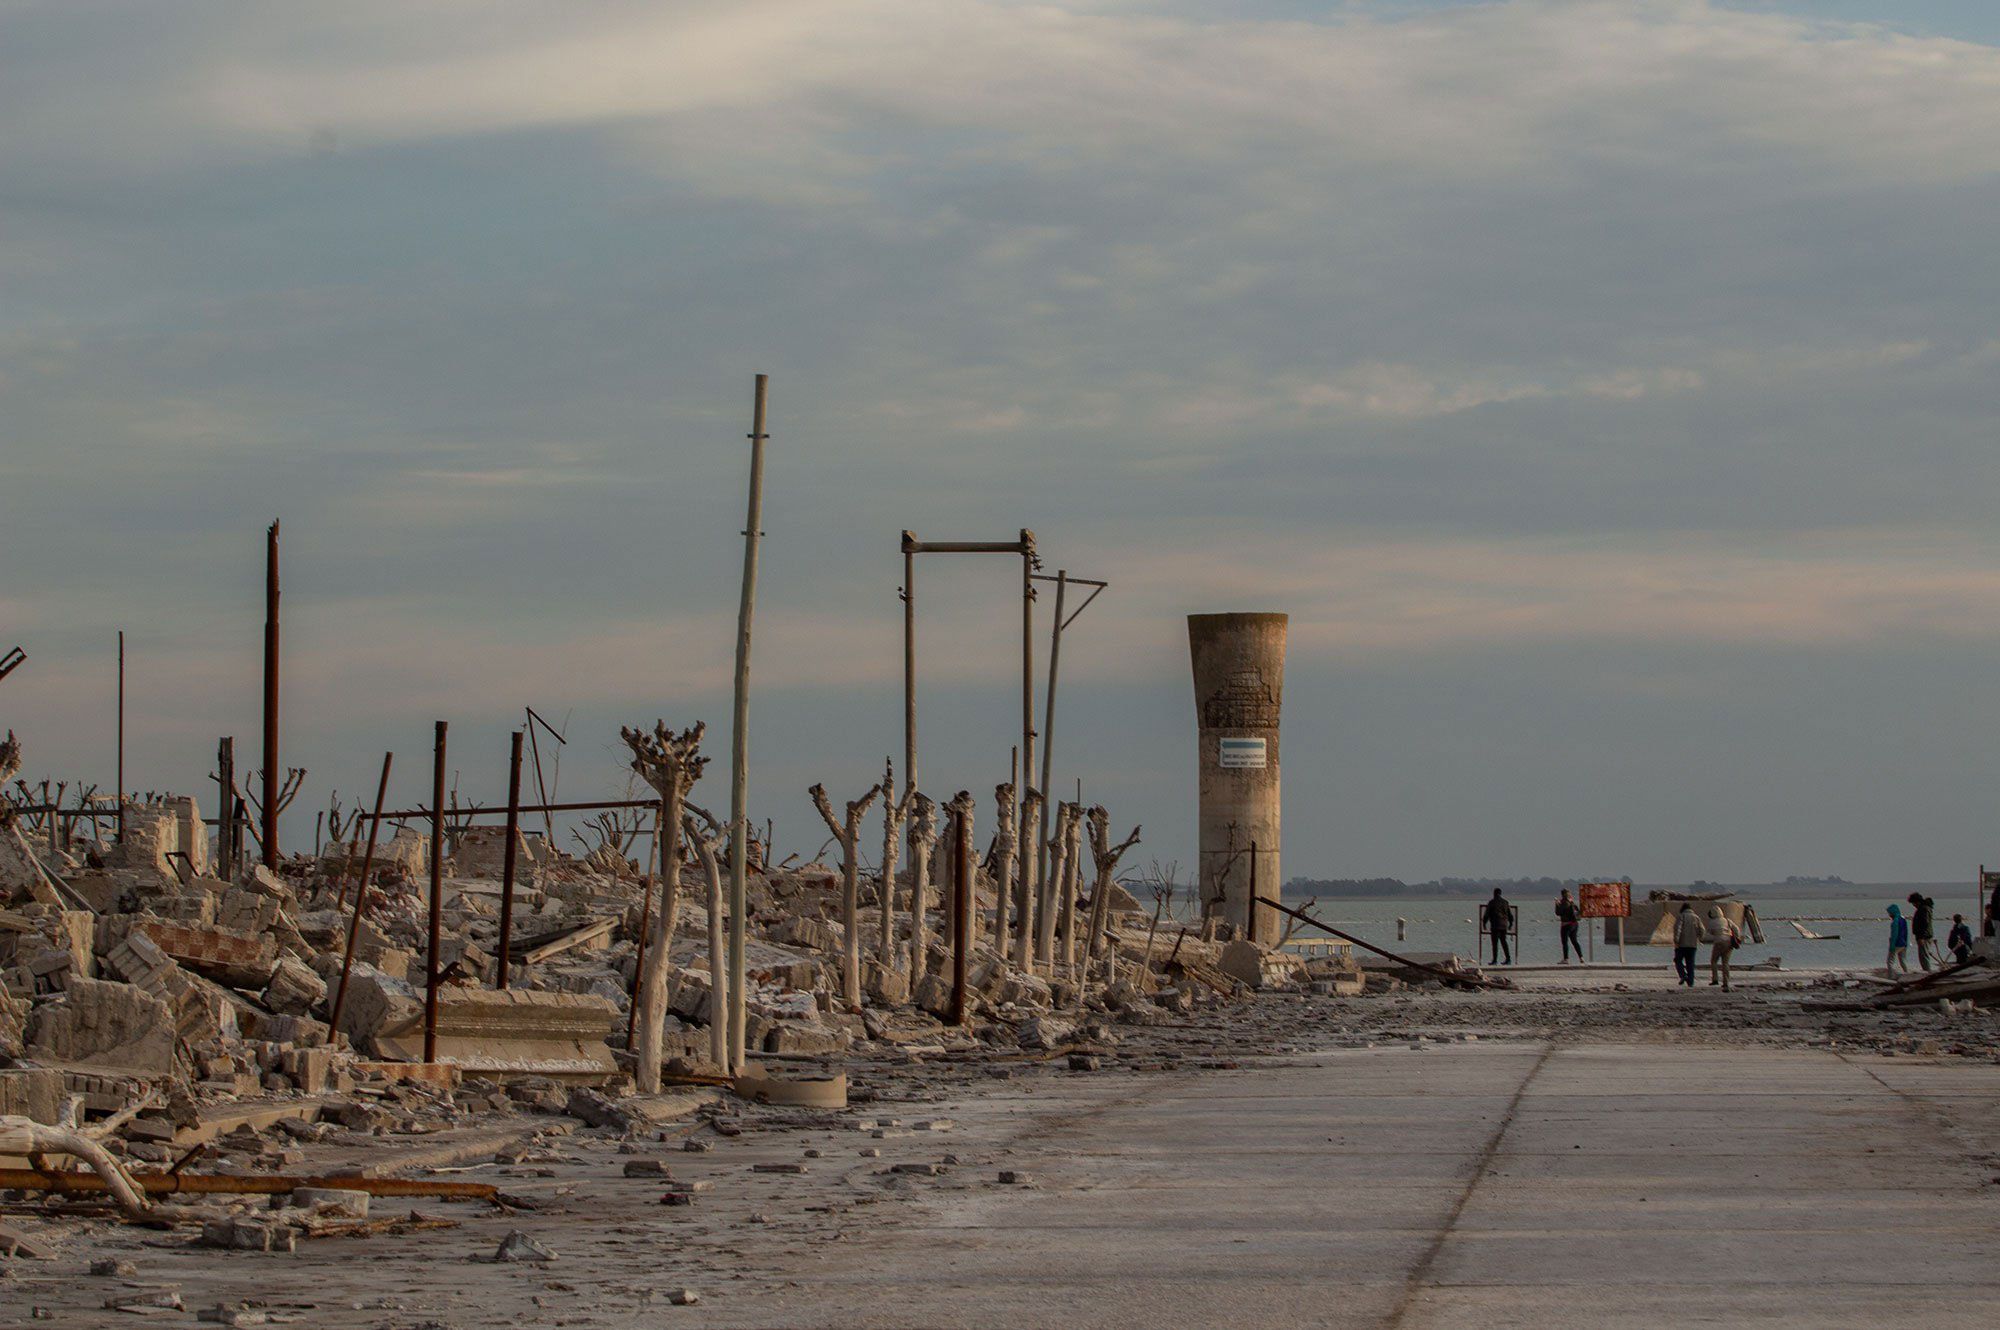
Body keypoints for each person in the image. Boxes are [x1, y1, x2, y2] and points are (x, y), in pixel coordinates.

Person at [1704, 905, 1739, 990]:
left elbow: (1708, 934)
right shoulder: (1727, 920)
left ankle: (1715, 979)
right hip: (1729, 942)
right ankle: (1726, 982)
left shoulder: (1712, 922)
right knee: (1725, 963)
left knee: (1714, 961)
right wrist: (1736, 937)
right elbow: (1737, 929)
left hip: (1719, 942)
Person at [1672, 902, 1702, 987]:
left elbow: (1678, 929)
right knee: (1690, 963)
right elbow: (1702, 929)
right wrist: (1699, 938)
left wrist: (1676, 940)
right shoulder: (1696, 917)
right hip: (1693, 945)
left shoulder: (1681, 916)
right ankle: (1690, 982)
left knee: (1678, 960)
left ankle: (1683, 975)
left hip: (1681, 944)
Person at [1908, 892, 1939, 971]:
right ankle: (1927, 970)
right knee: (1923, 955)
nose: (1913, 905)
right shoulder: (1924, 908)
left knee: (1924, 955)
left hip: (1924, 937)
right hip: (1924, 936)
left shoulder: (1924, 909)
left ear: (1917, 902)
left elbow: (1924, 923)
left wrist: (1921, 937)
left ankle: (1927, 971)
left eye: (1913, 903)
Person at [1483, 888, 1513, 965]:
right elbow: (1510, 915)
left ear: (1494, 893)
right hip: (1504, 925)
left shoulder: (1492, 902)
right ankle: (1508, 959)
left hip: (1495, 925)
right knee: (1504, 942)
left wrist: (1484, 924)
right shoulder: (1505, 902)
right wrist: (1510, 924)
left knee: (1495, 943)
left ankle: (1495, 960)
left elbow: (1487, 914)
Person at [1555, 889, 1583, 964]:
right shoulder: (1572, 902)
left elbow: (1558, 913)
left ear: (1562, 894)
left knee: (1565, 942)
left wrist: (1557, 904)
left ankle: (1566, 959)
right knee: (1575, 941)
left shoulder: (1563, 902)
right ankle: (1581, 957)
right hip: (1575, 924)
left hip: (1566, 925)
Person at [1885, 904, 1910, 976]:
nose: (1889, 915)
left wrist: (1892, 946)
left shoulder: (1895, 921)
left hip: (1897, 944)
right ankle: (1906, 974)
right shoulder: (1903, 920)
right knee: (1903, 961)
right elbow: (1906, 933)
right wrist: (1906, 944)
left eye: (1890, 913)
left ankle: (1891, 976)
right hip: (1903, 944)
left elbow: (1894, 935)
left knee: (1889, 961)